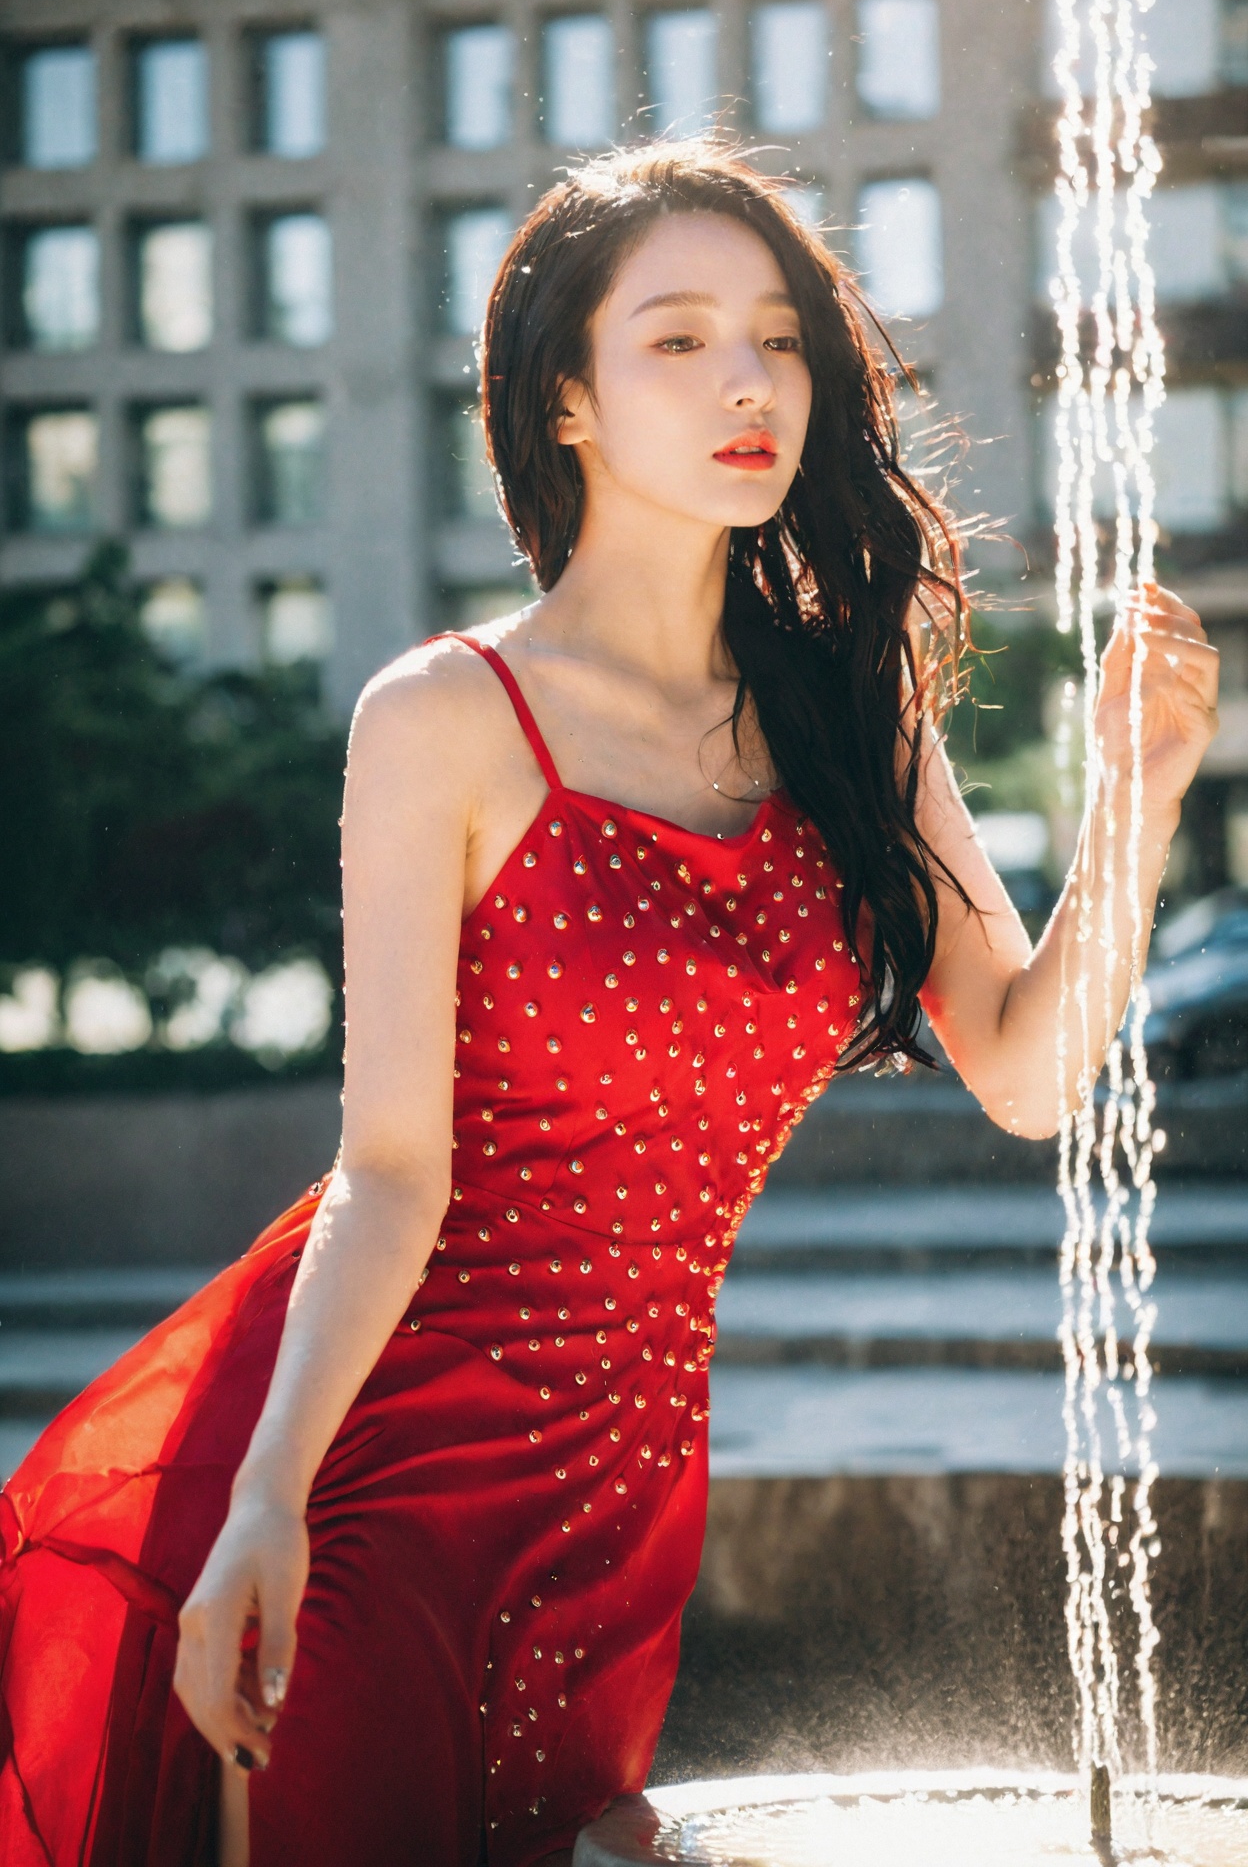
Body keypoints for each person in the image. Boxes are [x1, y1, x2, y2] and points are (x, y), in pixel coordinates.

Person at [0, 140, 1217, 1867]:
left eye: (780, 339)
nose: (747, 380)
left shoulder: (852, 717)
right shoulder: (448, 716)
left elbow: (1023, 1067)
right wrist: (267, 1493)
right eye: (678, 339)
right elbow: (389, 1172)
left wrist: (1138, 800)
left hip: (629, 1504)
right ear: (563, 396)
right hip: (376, 1473)